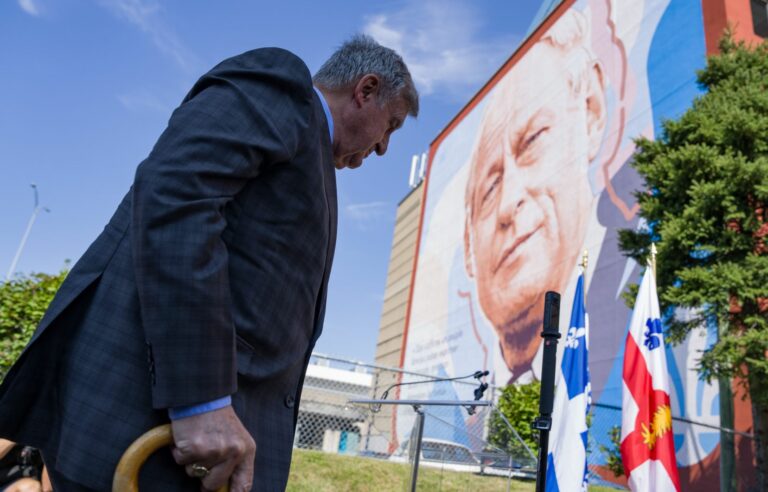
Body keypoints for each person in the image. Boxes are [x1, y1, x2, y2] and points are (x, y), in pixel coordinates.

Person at [0, 34, 418, 491]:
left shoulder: (312, 152)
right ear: (366, 90)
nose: (383, 148)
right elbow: (178, 197)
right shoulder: (284, 87)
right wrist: (201, 402)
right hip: (150, 427)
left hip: (193, 452)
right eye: (391, 125)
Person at [463, 9, 608, 382]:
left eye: (532, 141)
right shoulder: (461, 403)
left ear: (590, 113)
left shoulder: (636, 304)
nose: (508, 202)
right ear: (468, 249)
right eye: (490, 188)